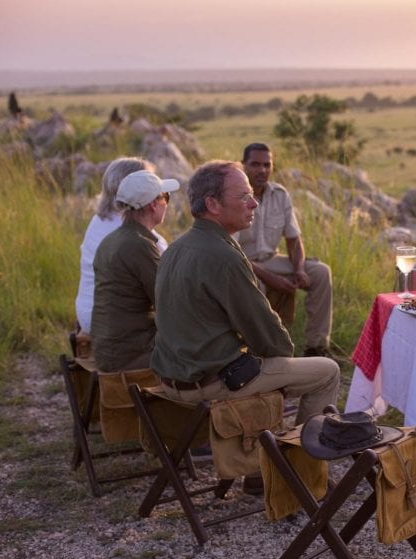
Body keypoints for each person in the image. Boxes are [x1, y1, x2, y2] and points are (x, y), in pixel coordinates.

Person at [150, 159, 340, 426]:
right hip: (210, 384)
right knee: (327, 372)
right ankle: (301, 457)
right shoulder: (222, 255)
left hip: (173, 378)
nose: (254, 204)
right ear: (213, 204)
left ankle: (275, 440)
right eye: (244, 197)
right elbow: (269, 337)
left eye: (252, 195)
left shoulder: (175, 248)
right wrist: (284, 356)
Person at [235, 142, 333, 357]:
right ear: (243, 166)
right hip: (243, 264)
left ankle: (317, 347)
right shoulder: (236, 197)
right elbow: (232, 251)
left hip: (272, 259)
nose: (262, 170)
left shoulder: (280, 194)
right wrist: (271, 278)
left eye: (267, 165)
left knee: (320, 272)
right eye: (255, 164)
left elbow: (294, 239)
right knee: (257, 285)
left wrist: (299, 269)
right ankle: (260, 352)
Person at [90, 170, 178, 372]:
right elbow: (170, 304)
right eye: (166, 197)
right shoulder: (139, 245)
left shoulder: (111, 240)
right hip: (130, 354)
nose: (167, 203)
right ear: (153, 204)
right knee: (209, 353)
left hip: (110, 349)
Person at [75, 157, 168, 334]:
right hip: (109, 321)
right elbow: (166, 277)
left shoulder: (100, 220)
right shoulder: (129, 232)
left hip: (89, 312)